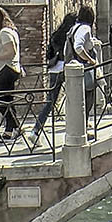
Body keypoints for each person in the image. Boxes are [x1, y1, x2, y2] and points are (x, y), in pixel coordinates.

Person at [32, 12, 78, 147]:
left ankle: (35, 130)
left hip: (54, 70)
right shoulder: (72, 34)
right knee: (75, 99)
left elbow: (49, 54)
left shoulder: (55, 34)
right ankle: (76, 130)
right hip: (68, 69)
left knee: (50, 102)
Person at [0, 7, 24, 141]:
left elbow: (10, 52)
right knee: (7, 100)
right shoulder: (11, 31)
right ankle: (10, 131)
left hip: (6, 69)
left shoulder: (4, 33)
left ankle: (16, 126)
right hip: (12, 69)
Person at [65, 5, 99, 116]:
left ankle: (82, 123)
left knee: (79, 98)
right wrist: (91, 60)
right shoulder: (85, 28)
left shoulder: (74, 27)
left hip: (74, 67)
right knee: (87, 97)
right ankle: (83, 124)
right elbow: (78, 47)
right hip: (83, 68)